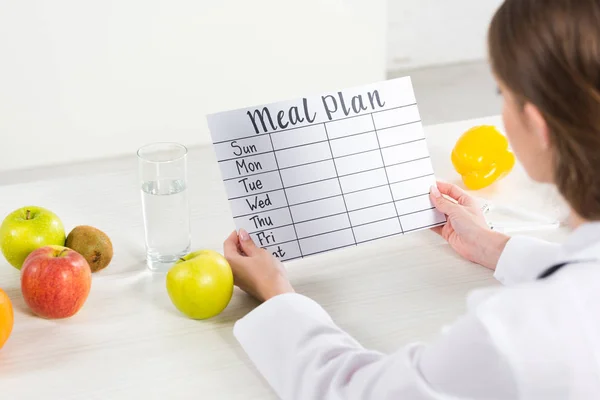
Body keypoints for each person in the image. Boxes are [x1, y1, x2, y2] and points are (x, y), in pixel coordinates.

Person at [223, 0, 600, 398]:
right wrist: (492, 245)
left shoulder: (516, 337)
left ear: (539, 125)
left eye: (502, 92)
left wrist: (276, 294)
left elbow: (358, 393)